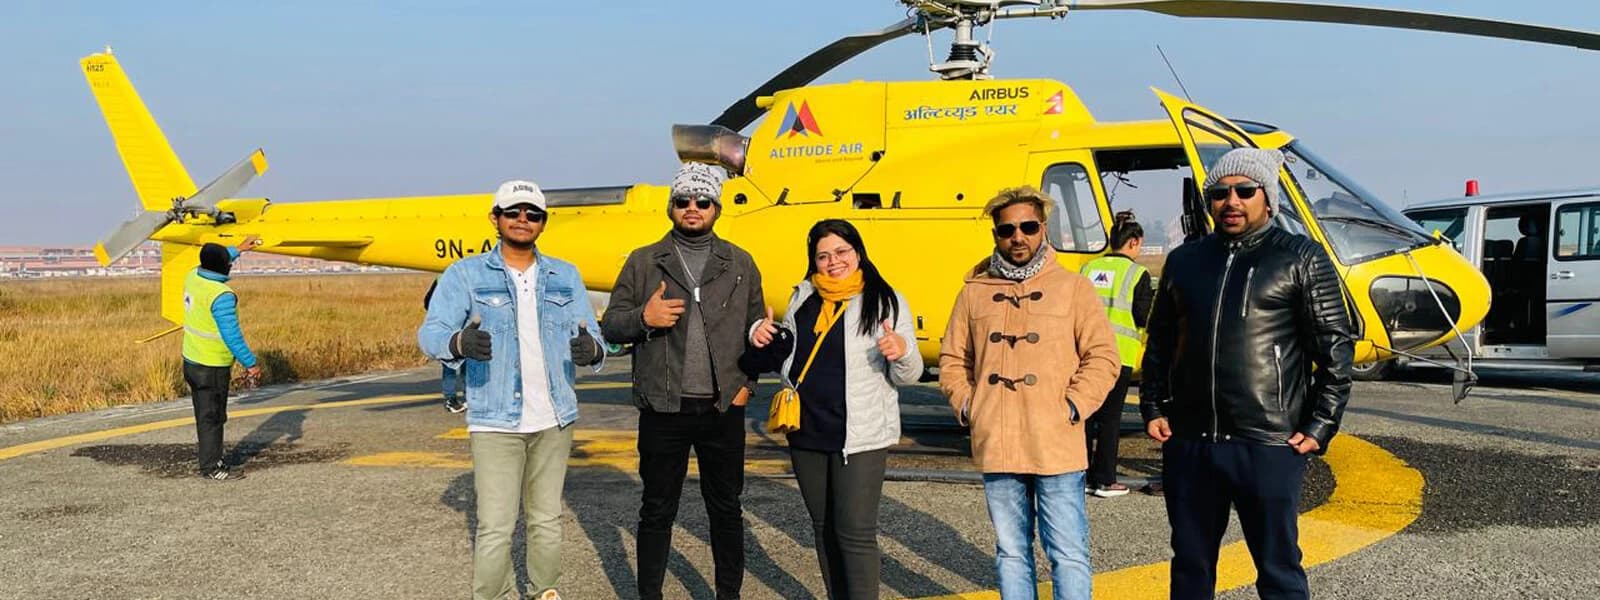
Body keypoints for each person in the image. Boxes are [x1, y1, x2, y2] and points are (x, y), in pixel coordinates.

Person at [1141, 148, 1354, 600]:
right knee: (1191, 567)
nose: (1231, 201)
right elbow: (1159, 341)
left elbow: (1335, 349)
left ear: (1267, 197)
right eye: (1219, 193)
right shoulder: (1184, 261)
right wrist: (1154, 404)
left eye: (1244, 191)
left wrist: (1320, 424)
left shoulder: (1301, 257)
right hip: (1192, 443)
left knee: (1278, 569)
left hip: (1268, 443)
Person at [417, 179, 607, 600]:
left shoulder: (565, 275)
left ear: (543, 222)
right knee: (495, 525)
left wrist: (590, 349)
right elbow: (430, 333)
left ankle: (546, 591)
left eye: (533, 213)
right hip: (495, 419)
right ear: (496, 218)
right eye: (514, 211)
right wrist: (457, 344)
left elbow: (595, 339)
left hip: (555, 417)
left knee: (546, 519)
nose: (523, 219)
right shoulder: (464, 275)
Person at [938, 186, 1121, 600]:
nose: (1017, 237)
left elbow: (1103, 356)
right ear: (996, 235)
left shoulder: (1073, 288)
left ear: (1043, 229)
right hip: (997, 443)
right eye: (1007, 230)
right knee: (1011, 553)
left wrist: (1073, 406)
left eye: (1027, 226)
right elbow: (952, 359)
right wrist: (969, 405)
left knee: (1069, 553)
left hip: (1056, 441)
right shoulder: (973, 291)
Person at [600, 162, 768, 600]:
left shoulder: (740, 263)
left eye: (703, 201)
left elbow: (755, 328)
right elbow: (612, 326)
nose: (692, 208)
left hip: (721, 408)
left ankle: (727, 594)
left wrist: (748, 382)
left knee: (726, 509)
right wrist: (644, 318)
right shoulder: (642, 262)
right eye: (683, 201)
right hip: (663, 407)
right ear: (671, 206)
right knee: (657, 510)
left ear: (717, 207)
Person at [746, 219, 923, 600]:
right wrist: (761, 337)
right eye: (823, 255)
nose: (833, 262)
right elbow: (788, 359)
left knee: (855, 531)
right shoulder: (803, 297)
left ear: (858, 253)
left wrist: (903, 351)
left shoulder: (886, 299)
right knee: (823, 527)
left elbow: (910, 376)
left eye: (841, 252)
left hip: (859, 434)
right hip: (806, 429)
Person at [1077, 211, 1155, 498]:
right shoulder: (1137, 273)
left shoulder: (1087, 269)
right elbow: (1142, 315)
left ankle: (1079, 476)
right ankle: (1105, 480)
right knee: (1110, 419)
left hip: (1083, 353)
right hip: (1117, 356)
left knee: (1083, 415)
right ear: (1134, 242)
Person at [181, 238, 263, 481]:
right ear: (224, 267)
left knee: (204, 413)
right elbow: (232, 335)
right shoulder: (222, 295)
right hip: (212, 366)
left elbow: (214, 258)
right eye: (229, 262)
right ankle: (212, 467)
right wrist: (251, 363)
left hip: (191, 360)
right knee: (213, 417)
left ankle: (209, 457)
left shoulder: (193, 276)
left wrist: (239, 248)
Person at [424, 278, 466, 413]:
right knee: (466, 365)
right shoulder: (470, 275)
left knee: (450, 365)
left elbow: (427, 302)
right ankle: (465, 398)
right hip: (462, 327)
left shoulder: (442, 277)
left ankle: (451, 399)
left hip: (449, 328)